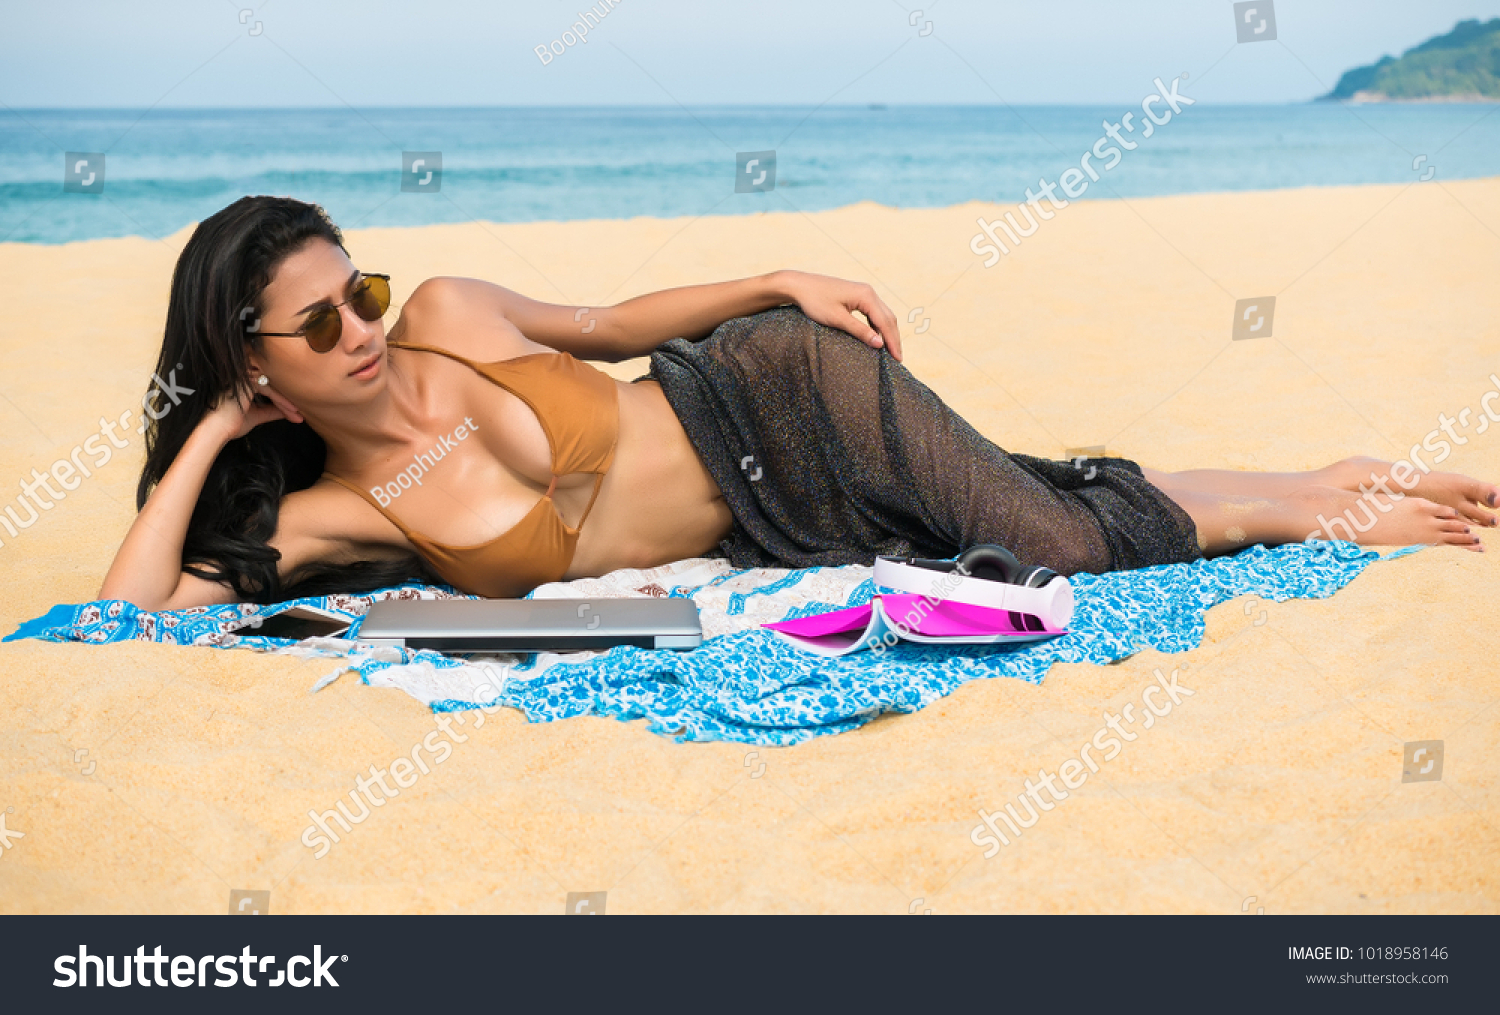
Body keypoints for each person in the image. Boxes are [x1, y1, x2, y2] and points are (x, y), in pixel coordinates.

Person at [99, 197, 1494, 610]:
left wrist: (776, 277)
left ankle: (1324, 501)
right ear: (255, 359)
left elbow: (618, 326)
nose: (359, 324)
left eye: (362, 286)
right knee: (1030, 513)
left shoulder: (452, 316)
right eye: (317, 320)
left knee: (1053, 547)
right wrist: (215, 430)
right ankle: (1327, 478)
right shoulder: (333, 511)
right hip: (783, 532)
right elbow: (122, 621)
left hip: (770, 389)